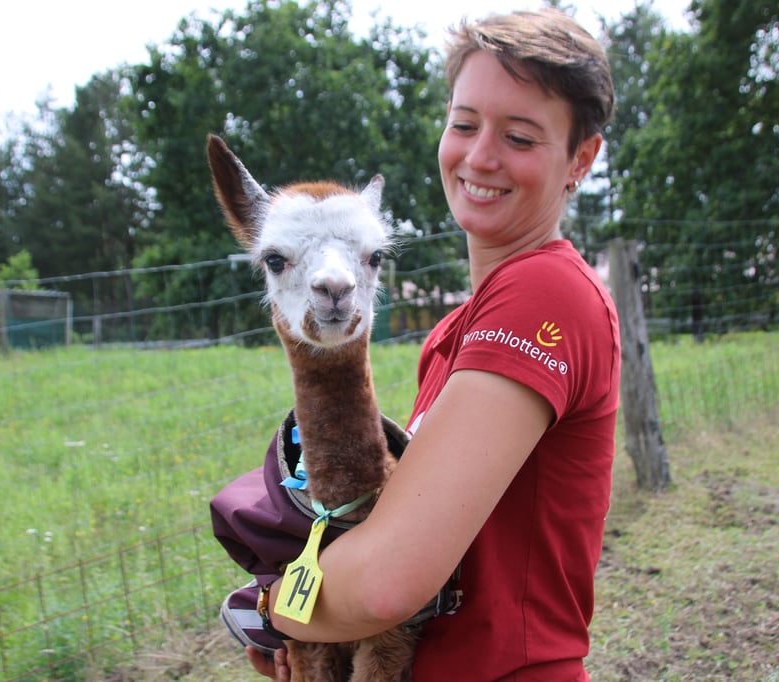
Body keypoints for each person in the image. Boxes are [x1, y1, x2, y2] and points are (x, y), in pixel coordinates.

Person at [231, 8, 619, 680]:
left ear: (580, 159)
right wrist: (325, 642)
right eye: (464, 124)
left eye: (520, 137)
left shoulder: (544, 295)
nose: (480, 156)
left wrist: (273, 606)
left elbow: (387, 582)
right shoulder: (455, 333)